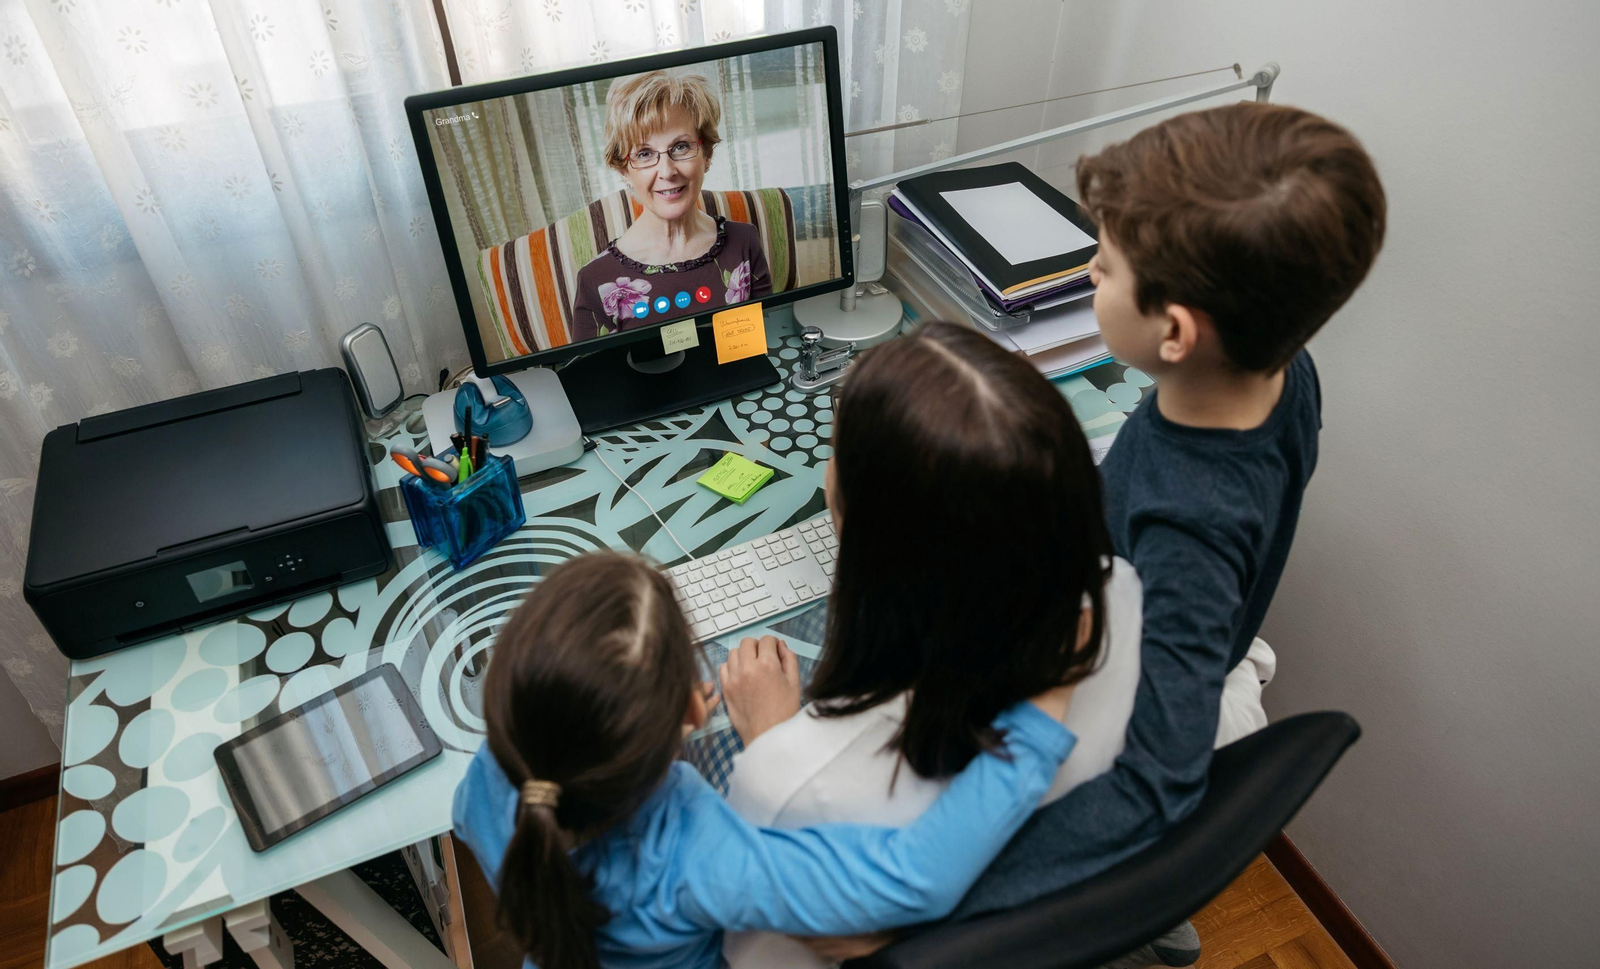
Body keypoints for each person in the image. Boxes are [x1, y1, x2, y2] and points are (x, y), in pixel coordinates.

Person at [947, 102, 1387, 920]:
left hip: (1096, 687)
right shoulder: (1283, 368)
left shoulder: (1192, 523)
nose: (1088, 275)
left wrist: (948, 896)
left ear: (1178, 332)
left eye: (1104, 267)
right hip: (1119, 588)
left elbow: (1158, 782)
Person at [714, 323, 1146, 969]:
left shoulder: (793, 779)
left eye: (836, 447)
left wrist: (773, 739)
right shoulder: (1123, 594)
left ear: (856, 527)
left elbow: (761, 960)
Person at [452, 551, 1083, 969]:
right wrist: (1042, 712)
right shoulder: (697, 857)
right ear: (694, 718)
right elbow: (916, 873)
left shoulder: (491, 775)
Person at [571, 70, 772, 341]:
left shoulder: (744, 242)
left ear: (707, 155)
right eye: (644, 153)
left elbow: (758, 348)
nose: (666, 171)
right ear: (623, 170)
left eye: (680, 147)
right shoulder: (596, 279)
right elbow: (595, 381)